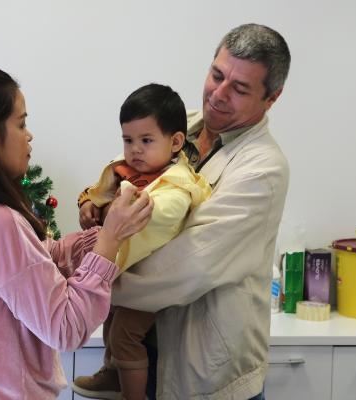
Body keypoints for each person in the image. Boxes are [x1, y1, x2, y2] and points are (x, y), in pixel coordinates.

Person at [0, 65, 153, 400]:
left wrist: (102, 234)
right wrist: (110, 240)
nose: (29, 135)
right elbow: (66, 327)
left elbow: (38, 259)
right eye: (21, 124)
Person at [78, 23, 291, 400]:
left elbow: (189, 266)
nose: (218, 95)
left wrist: (95, 281)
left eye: (240, 88)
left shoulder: (263, 169)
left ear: (271, 98)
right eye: (217, 75)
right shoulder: (181, 125)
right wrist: (94, 201)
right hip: (147, 352)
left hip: (205, 370)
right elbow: (125, 173)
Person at [72, 83, 211, 400]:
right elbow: (98, 191)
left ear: (175, 142)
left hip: (152, 281)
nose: (135, 149)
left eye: (146, 140)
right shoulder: (128, 170)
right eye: (128, 140)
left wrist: (110, 211)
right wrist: (89, 204)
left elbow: (153, 212)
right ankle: (112, 375)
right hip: (125, 271)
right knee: (110, 320)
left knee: (124, 335)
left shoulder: (177, 186)